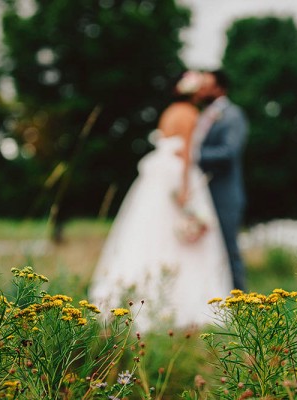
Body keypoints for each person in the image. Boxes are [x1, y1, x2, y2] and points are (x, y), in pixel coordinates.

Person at [88, 71, 233, 331]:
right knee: (185, 242)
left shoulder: (168, 112)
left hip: (157, 176)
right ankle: (182, 303)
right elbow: (188, 154)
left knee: (149, 231)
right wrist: (186, 189)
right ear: (194, 93)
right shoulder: (190, 114)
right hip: (178, 174)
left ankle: (132, 294)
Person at [196, 70, 249, 291]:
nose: (201, 88)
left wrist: (193, 156)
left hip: (224, 194)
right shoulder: (203, 115)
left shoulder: (233, 115)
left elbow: (229, 152)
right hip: (202, 194)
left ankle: (241, 304)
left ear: (219, 88)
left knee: (229, 249)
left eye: (206, 84)